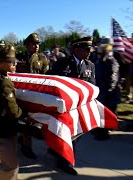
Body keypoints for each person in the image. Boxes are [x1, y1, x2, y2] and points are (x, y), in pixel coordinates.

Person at [47, 36, 95, 175]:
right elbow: (53, 83)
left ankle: (56, 150)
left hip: (80, 107)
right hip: (64, 107)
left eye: (90, 49)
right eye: (86, 49)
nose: (89, 52)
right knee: (68, 134)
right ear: (77, 49)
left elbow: (92, 85)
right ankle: (64, 162)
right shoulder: (62, 63)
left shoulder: (90, 65)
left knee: (77, 133)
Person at [0, 45, 25, 180]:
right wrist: (26, 116)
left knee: (12, 163)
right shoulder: (3, 82)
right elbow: (13, 111)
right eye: (10, 62)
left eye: (15, 61)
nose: (15, 63)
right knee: (11, 166)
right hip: (1, 130)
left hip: (3, 128)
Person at [15, 33, 48, 160]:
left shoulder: (42, 58)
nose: (37, 46)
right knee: (25, 120)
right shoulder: (19, 57)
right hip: (22, 94)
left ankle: (23, 139)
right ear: (27, 45)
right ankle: (26, 147)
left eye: (38, 44)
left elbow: (46, 77)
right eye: (33, 44)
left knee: (33, 121)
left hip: (36, 94)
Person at [94, 44, 121, 140]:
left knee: (106, 113)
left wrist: (106, 92)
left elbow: (112, 79)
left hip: (108, 94)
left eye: (100, 52)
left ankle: (104, 133)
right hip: (100, 91)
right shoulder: (100, 61)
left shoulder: (111, 62)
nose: (98, 54)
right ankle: (100, 130)